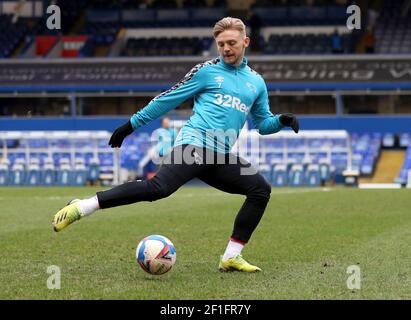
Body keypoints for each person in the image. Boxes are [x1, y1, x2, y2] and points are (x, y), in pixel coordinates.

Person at [52, 17, 299, 273]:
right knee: (159, 188)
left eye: (232, 43)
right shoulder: (206, 71)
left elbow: (262, 123)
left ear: (245, 42)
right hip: (194, 145)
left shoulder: (256, 82)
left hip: (221, 155)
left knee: (260, 190)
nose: (226, 48)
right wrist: (131, 125)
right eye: (221, 43)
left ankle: (231, 256)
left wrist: (282, 120)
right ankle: (83, 207)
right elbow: (168, 99)